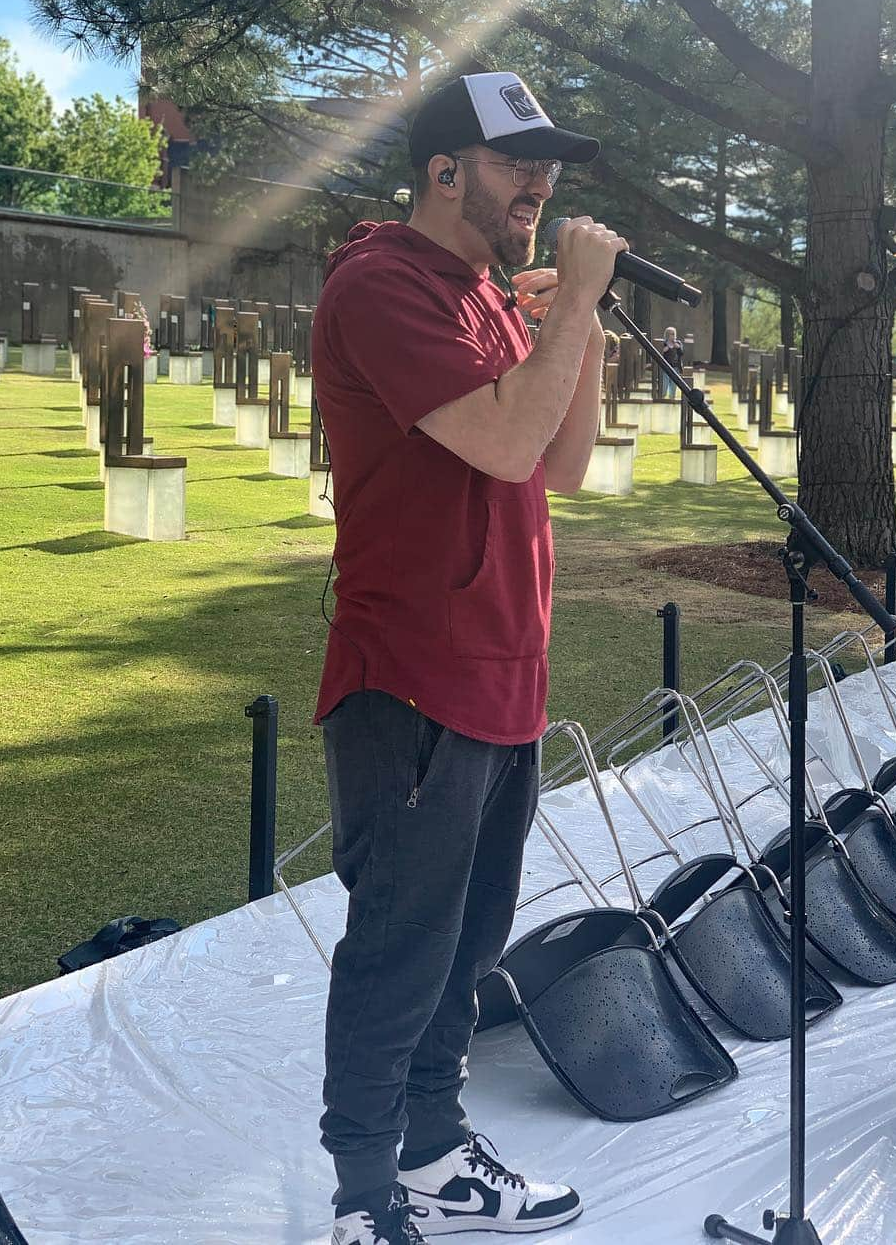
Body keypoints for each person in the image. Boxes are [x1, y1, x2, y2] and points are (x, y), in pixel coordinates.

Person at [310, 71, 625, 1245]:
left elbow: (561, 466)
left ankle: (436, 1152)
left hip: (504, 670)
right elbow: (500, 441)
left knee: (469, 940)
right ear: (446, 170)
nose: (541, 183)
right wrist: (573, 308)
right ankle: (361, 1194)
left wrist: (572, 325)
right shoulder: (383, 283)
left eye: (549, 164)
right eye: (515, 161)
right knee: (401, 939)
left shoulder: (487, 296)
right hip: (413, 678)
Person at [659, 325, 683, 398]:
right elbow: (660, 353)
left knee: (673, 384)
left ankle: (672, 398)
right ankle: (662, 396)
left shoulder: (678, 343)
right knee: (664, 384)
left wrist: (678, 348)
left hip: (675, 367)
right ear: (667, 335)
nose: (672, 336)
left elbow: (681, 353)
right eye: (670, 334)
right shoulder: (664, 343)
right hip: (666, 367)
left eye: (673, 334)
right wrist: (665, 349)